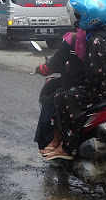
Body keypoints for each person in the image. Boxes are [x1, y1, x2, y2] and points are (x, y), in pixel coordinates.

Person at [45, 0, 106, 161]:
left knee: (63, 97)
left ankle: (67, 148)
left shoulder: (97, 40)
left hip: (104, 91)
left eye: (78, 15)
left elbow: (94, 75)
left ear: (88, 17)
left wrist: (81, 84)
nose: (76, 18)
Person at [34, 27, 87, 155]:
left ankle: (56, 142)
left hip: (81, 86)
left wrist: (42, 68)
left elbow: (53, 65)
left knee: (52, 101)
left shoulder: (74, 38)